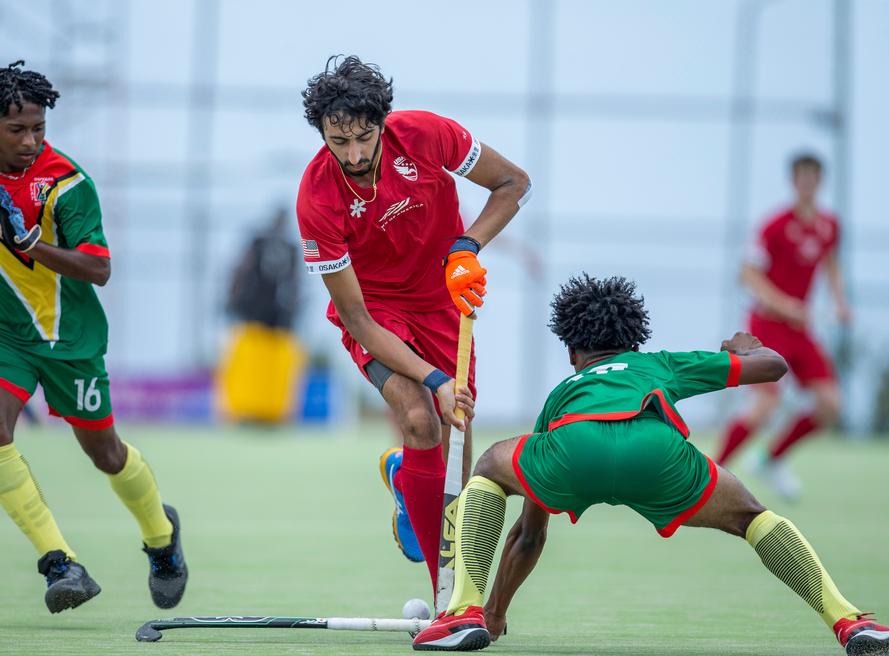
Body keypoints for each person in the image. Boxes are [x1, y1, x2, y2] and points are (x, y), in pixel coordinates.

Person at [412, 275, 886, 655]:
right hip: (656, 453)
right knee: (751, 517)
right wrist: (744, 350)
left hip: (576, 444)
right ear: (633, 341)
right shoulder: (660, 364)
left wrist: (495, 614)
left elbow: (529, 535)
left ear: (572, 352)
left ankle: (465, 612)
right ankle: (848, 622)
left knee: (492, 465)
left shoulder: (563, 392)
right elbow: (774, 366)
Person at [0, 61, 187, 613]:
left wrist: (32, 245)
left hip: (69, 340)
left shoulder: (68, 184)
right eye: (17, 130)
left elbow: (99, 269)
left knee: (106, 454)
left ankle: (161, 537)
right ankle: (61, 563)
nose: (30, 141)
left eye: (38, 129)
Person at [295, 56, 530, 587]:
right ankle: (445, 594)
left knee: (456, 444)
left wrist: (468, 246)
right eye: (338, 142)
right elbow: (356, 318)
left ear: (383, 122)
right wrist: (435, 380)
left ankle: (408, 480)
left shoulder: (427, 135)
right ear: (322, 134)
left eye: (364, 138)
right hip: (376, 311)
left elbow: (513, 183)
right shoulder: (317, 199)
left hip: (442, 300)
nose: (354, 155)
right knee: (420, 418)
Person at [716, 154, 850, 501]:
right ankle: (709, 475)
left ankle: (771, 460)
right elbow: (747, 274)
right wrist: (783, 304)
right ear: (793, 182)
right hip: (767, 325)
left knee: (830, 404)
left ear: (820, 182)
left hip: (799, 330)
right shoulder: (774, 225)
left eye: (812, 178)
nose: (807, 184)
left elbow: (831, 265)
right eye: (801, 178)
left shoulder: (829, 226)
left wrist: (840, 302)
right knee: (765, 405)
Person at [217, 207, 305, 422]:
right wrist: (233, 298)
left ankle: (271, 409)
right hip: (253, 310)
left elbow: (294, 283)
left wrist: (293, 309)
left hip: (276, 314)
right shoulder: (258, 243)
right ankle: (245, 407)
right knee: (249, 358)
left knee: (272, 362)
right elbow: (241, 270)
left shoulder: (291, 249)